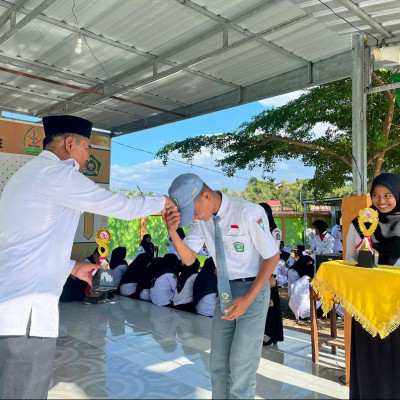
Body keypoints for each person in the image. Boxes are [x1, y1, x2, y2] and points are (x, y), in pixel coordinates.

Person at [0, 115, 174, 400]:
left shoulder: (26, 175)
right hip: (27, 317)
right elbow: (120, 205)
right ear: (70, 143)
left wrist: (73, 266)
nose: (88, 154)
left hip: (12, 309)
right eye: (87, 147)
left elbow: (25, 245)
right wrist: (162, 201)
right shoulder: (59, 175)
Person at [165, 173, 279, 399]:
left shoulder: (248, 212)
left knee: (241, 366)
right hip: (225, 291)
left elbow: (272, 257)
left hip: (252, 291)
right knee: (217, 363)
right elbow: (188, 258)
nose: (194, 216)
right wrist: (172, 231)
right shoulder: (201, 220)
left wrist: (248, 299)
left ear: (206, 195)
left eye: (194, 210)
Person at [346, 173, 400, 399]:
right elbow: (349, 258)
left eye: (388, 195)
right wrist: (365, 263)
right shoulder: (360, 223)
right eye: (376, 195)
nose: (381, 200)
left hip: (397, 307)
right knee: (370, 361)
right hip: (367, 306)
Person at [259, 202, 284, 346]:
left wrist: (272, 275)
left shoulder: (274, 231)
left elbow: (275, 254)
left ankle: (271, 334)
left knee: (271, 304)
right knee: (263, 303)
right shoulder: (259, 228)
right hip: (258, 271)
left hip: (268, 273)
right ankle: (266, 332)